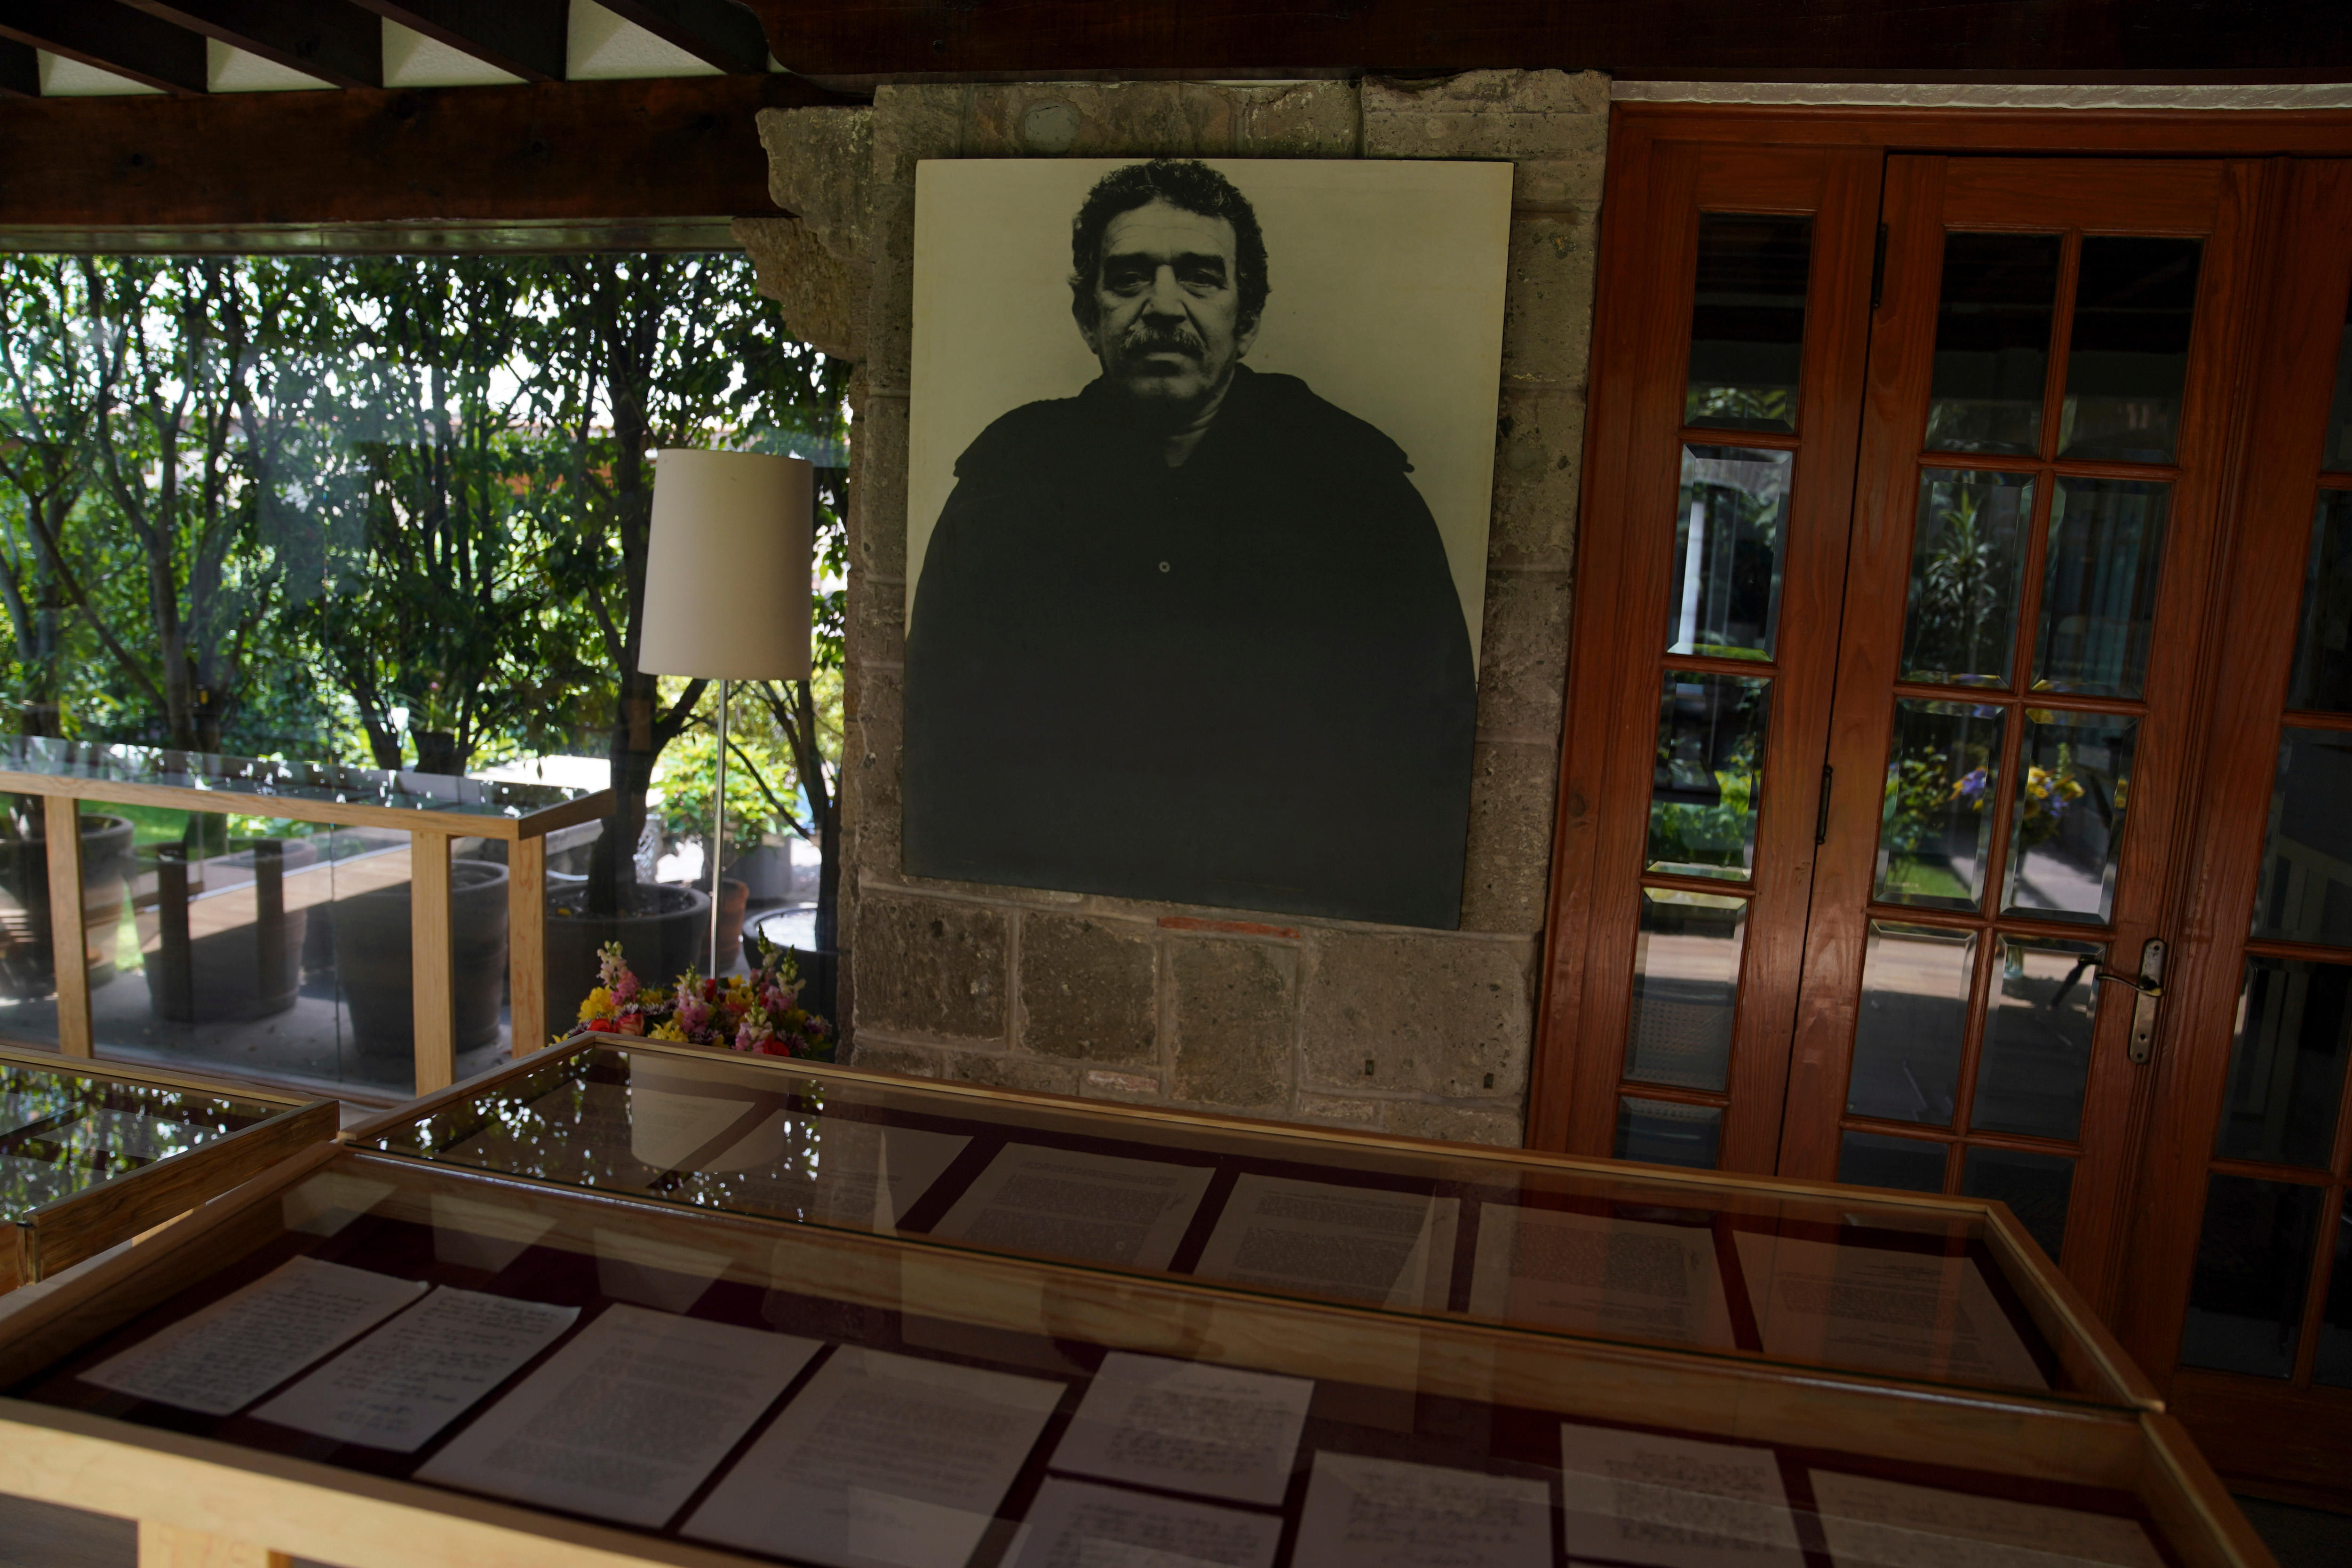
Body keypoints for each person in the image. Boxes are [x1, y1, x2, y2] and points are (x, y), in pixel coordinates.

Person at [904, 158, 1476, 928]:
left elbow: (1430, 766)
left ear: (1248, 318)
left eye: (1201, 278)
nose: (1164, 306)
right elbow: (939, 753)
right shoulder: (1000, 494)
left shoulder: (1362, 499)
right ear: (1088, 316)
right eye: (1130, 278)